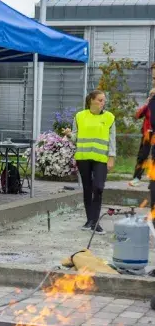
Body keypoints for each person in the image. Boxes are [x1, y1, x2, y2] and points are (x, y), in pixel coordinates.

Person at [69, 90, 116, 235]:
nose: (103, 102)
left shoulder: (109, 117)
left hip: (101, 159)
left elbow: (112, 139)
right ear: (91, 101)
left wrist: (111, 157)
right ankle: (90, 221)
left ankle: (95, 222)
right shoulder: (79, 116)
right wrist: (70, 135)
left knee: (99, 188)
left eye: (104, 100)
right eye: (100, 100)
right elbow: (75, 136)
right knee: (87, 188)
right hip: (83, 157)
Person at [130, 88, 155, 187]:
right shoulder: (147, 106)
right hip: (148, 134)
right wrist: (146, 105)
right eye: (151, 94)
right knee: (143, 156)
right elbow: (137, 115)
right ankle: (136, 178)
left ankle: (152, 181)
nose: (153, 96)